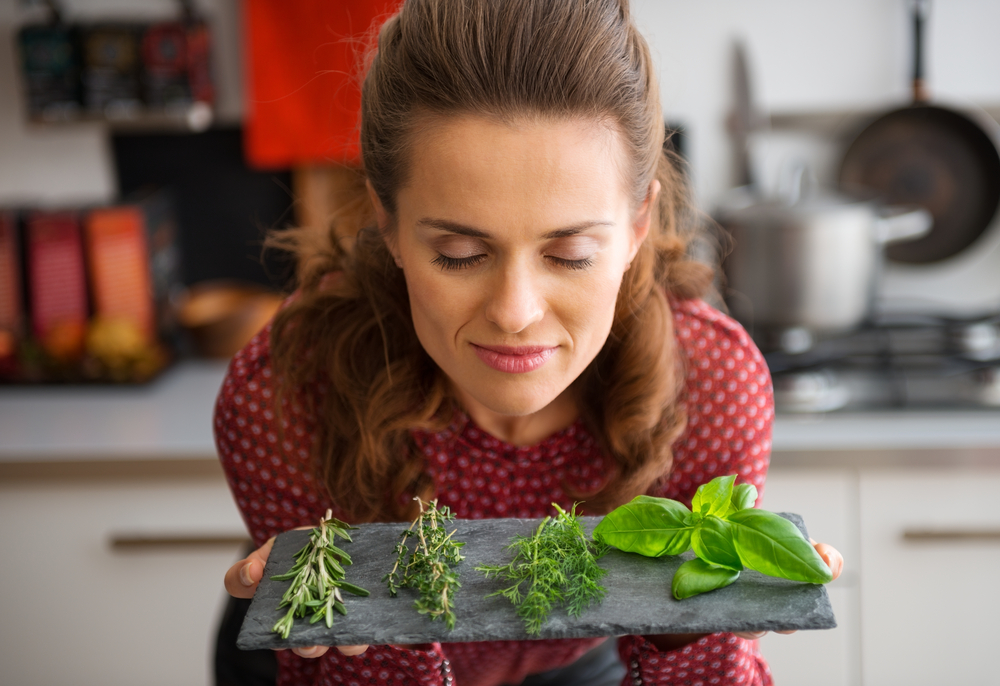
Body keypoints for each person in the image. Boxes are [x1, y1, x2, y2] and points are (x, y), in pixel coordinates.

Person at [215, 1, 844, 685]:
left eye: (570, 255)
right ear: (387, 223)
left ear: (636, 227)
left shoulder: (713, 385)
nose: (515, 313)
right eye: (459, 254)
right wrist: (364, 634)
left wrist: (701, 628)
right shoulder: (284, 392)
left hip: (579, 656)